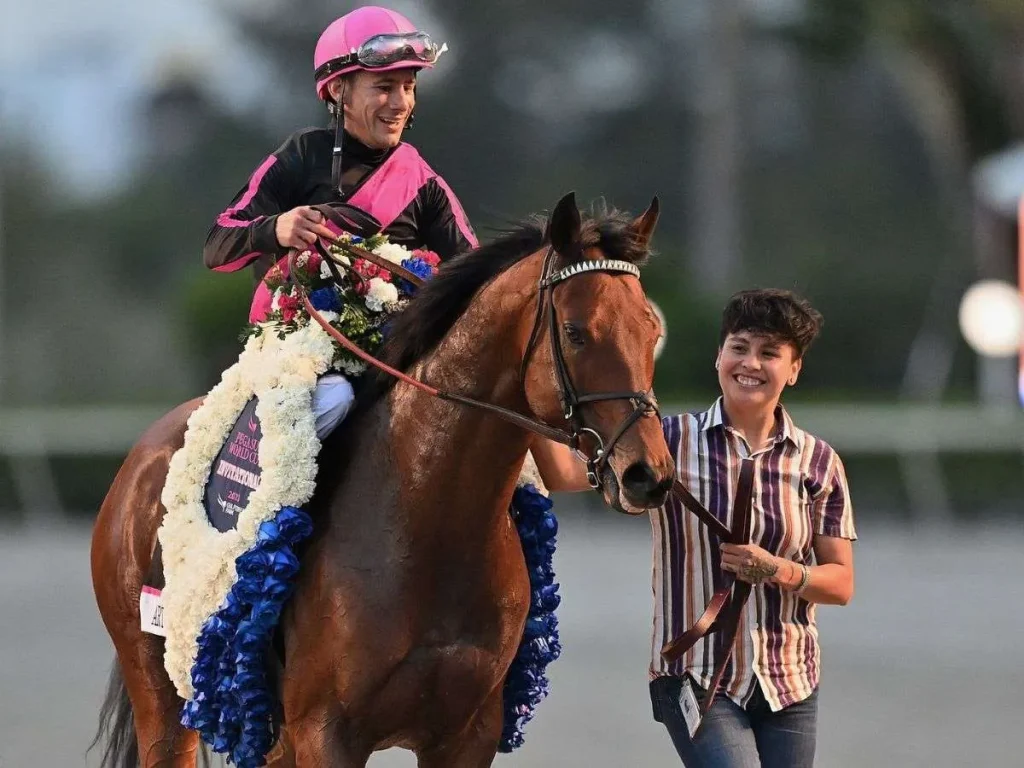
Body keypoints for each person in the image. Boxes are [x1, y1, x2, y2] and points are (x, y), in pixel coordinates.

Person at [532, 288, 857, 767]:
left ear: (794, 369)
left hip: (790, 682)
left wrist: (779, 571)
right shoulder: (668, 441)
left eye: (770, 353)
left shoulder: (819, 462)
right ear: (719, 356)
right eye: (739, 348)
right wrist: (529, 402)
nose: (750, 363)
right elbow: (563, 474)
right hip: (693, 675)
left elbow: (841, 583)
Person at [201, 5, 478, 436]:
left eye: (408, 86)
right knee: (334, 397)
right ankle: (272, 502)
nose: (400, 103)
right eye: (384, 87)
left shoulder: (425, 184)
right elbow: (218, 245)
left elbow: (477, 279)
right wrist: (276, 228)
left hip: (397, 361)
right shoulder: (301, 156)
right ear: (338, 92)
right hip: (299, 361)